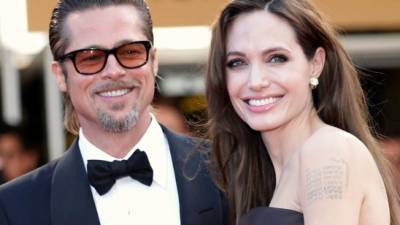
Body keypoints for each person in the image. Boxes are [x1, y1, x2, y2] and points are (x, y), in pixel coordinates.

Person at [0, 1, 226, 225]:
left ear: (153, 61)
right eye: (90, 57)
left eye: (130, 52)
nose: (114, 71)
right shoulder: (15, 207)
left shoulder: (228, 170)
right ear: (60, 75)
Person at [206, 0, 400, 225]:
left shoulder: (327, 151)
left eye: (277, 58)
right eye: (237, 62)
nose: (256, 81)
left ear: (316, 63)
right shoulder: (264, 175)